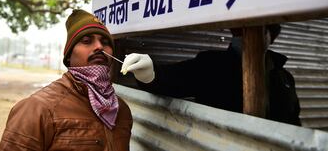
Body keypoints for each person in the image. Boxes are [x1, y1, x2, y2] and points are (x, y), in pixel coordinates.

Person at [0, 9, 133, 151]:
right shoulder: (38, 108)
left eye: (105, 42)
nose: (99, 46)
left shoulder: (121, 110)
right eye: (87, 41)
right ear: (69, 56)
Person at [121, 24, 302, 126]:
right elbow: (170, 80)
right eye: (240, 31)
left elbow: (294, 122)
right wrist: (149, 74)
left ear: (271, 36)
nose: (245, 36)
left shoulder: (284, 78)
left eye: (264, 30)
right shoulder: (212, 65)